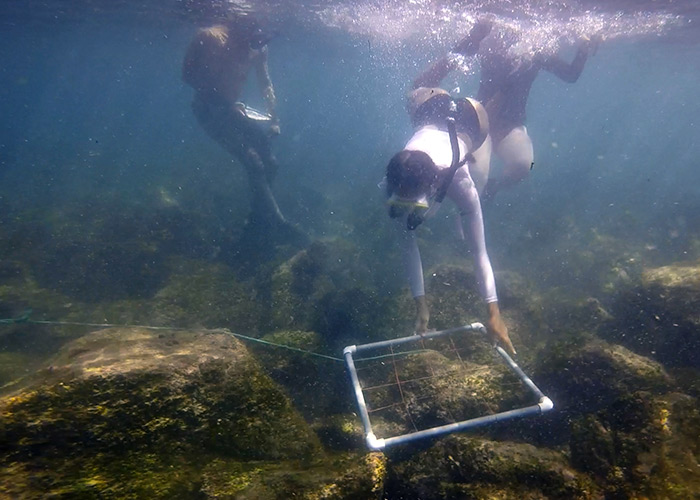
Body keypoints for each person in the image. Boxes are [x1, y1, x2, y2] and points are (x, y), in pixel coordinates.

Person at [385, 75, 515, 354]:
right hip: (429, 106)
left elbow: (479, 252)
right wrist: (421, 306)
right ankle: (460, 50)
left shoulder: (459, 181)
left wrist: (494, 313)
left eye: (416, 204)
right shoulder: (392, 183)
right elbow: (407, 247)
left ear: (433, 188)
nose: (408, 210)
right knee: (414, 91)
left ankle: (502, 83)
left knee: (478, 185)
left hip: (473, 122)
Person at [415, 19, 595, 200]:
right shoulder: (490, 43)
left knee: (526, 165)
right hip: (479, 120)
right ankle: (462, 204)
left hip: (510, 123)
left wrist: (584, 48)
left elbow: (570, 75)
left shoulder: (537, 50)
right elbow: (457, 56)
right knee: (477, 176)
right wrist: (475, 35)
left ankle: (493, 188)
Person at [182, 15, 290, 234]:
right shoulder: (211, 38)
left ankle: (259, 217)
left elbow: (265, 83)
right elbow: (187, 76)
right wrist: (218, 97)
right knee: (253, 162)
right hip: (207, 109)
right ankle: (277, 221)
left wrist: (274, 118)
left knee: (270, 163)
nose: (251, 48)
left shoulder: (258, 47)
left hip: (233, 109)